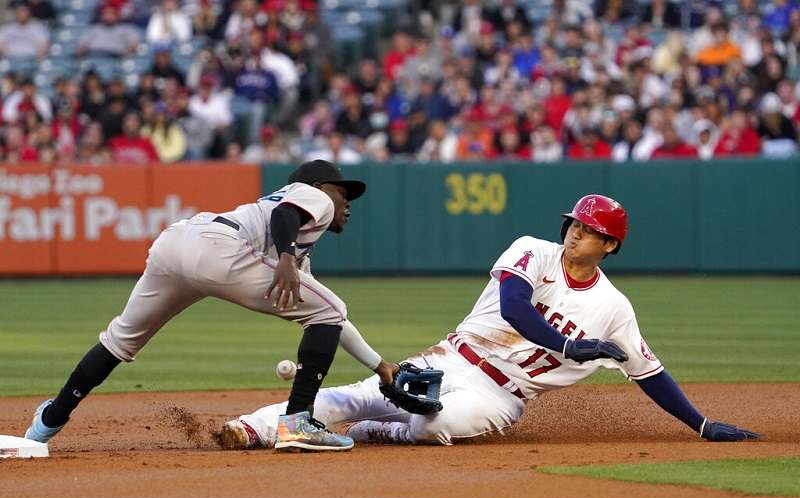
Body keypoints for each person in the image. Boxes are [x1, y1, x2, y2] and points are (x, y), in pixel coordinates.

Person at [220, 194, 761, 448]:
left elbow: (648, 373)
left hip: (501, 395)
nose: (575, 232)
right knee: (356, 394)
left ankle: (383, 432)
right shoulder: (533, 250)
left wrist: (701, 424)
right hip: (450, 358)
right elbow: (514, 309)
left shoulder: (614, 308)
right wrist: (571, 349)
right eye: (574, 223)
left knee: (433, 425)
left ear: (610, 244)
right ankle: (252, 428)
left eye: (590, 230)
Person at [24, 160, 398, 453]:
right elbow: (285, 216)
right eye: (342, 191)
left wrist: (380, 367)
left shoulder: (295, 247)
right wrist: (285, 256)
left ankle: (47, 422)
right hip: (220, 248)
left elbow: (332, 316)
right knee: (328, 308)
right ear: (317, 188)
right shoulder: (309, 198)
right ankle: (298, 422)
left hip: (175, 243)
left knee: (120, 339)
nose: (346, 202)